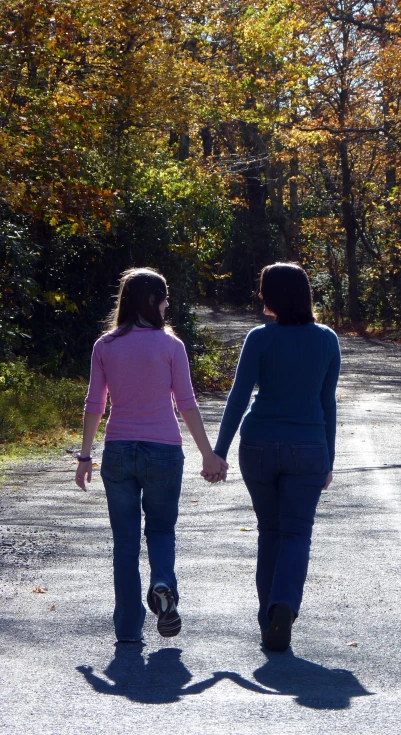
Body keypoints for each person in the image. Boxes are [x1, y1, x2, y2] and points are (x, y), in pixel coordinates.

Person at [75, 267, 227, 643]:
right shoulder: (171, 346)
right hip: (163, 451)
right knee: (160, 529)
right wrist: (208, 454)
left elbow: (95, 403)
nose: (168, 304)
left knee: (125, 541)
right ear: (151, 301)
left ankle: (128, 629)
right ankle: (162, 583)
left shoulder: (105, 346)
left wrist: (84, 456)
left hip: (119, 452)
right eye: (164, 298)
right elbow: (186, 403)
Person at [211, 262, 340, 652]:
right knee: (297, 532)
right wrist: (329, 458)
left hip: (259, 444)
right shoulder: (326, 339)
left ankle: (269, 617)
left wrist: (218, 451)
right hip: (308, 447)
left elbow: (238, 397)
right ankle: (283, 604)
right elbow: (326, 402)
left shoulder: (259, 338)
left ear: (269, 297)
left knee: (269, 531)